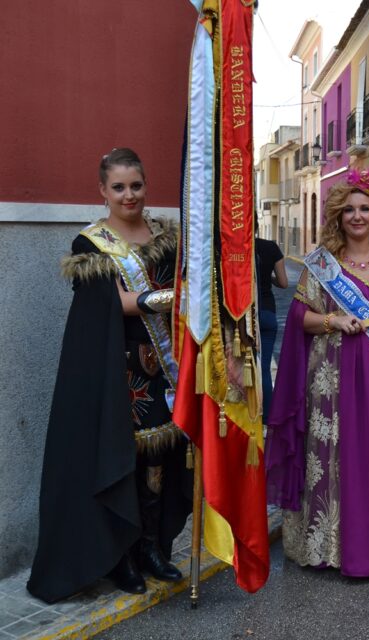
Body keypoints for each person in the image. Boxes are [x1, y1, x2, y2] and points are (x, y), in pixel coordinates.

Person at [28, 148, 191, 602]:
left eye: (136, 185)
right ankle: (121, 556)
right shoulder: (91, 244)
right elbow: (108, 304)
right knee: (123, 461)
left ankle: (153, 548)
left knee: (159, 459)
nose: (129, 195)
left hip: (164, 369)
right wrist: (164, 298)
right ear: (102, 191)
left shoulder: (166, 235)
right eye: (118, 187)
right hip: (116, 372)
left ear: (146, 185)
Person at [265, 166, 369, 578]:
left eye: (364, 208)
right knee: (339, 459)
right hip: (335, 379)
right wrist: (335, 321)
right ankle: (333, 549)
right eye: (349, 209)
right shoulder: (322, 265)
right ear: (338, 215)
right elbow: (301, 319)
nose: (357, 216)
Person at [254, 222, 287, 419]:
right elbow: (283, 283)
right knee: (264, 368)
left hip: (244, 314)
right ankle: (267, 417)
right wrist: (269, 280)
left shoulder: (235, 250)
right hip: (268, 313)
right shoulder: (271, 247)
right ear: (257, 225)